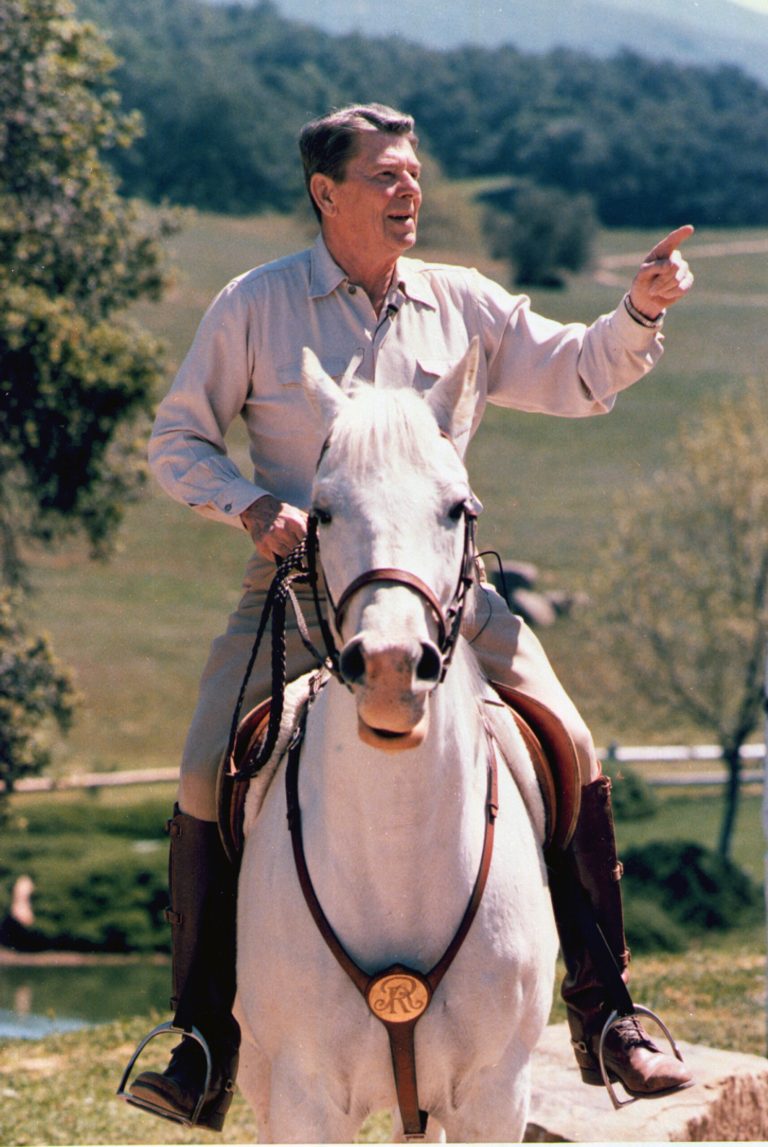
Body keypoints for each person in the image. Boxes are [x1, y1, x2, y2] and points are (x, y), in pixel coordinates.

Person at [124, 103, 694, 1130]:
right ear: (325, 193)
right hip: (300, 592)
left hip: (450, 596)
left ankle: (609, 1016)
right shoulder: (256, 305)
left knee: (569, 742)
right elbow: (175, 439)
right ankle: (205, 1035)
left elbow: (574, 370)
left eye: (414, 174)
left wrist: (639, 313)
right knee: (207, 762)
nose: (409, 192)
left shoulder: (459, 301)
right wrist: (252, 507)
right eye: (385, 175)